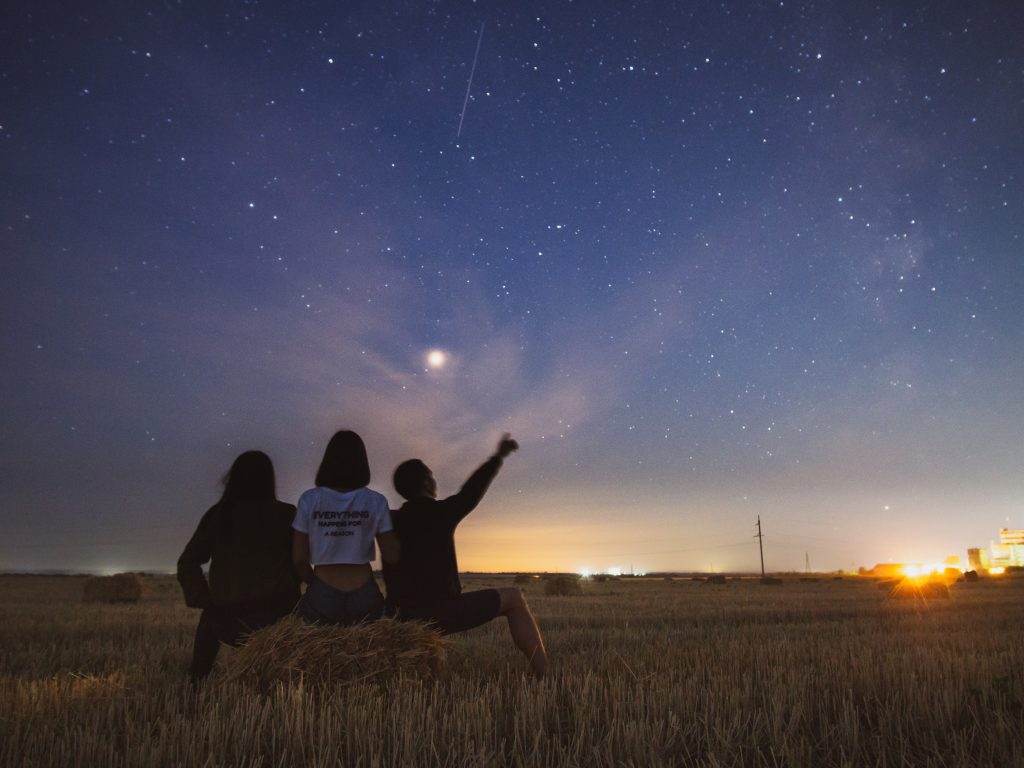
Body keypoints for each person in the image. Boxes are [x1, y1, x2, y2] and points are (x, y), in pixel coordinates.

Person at [383, 434, 549, 677]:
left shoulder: (389, 519)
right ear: (427, 484)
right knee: (514, 598)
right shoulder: (441, 513)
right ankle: (546, 674)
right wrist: (498, 457)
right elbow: (472, 490)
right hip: (440, 614)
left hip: (399, 615)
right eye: (432, 475)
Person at [177, 450, 300, 680]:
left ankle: (197, 677)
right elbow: (300, 562)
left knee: (208, 620)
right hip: (279, 618)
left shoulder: (218, 515)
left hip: (228, 620)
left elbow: (187, 563)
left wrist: (206, 601)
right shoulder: (286, 514)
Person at [292, 430, 399, 625]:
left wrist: (314, 583)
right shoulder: (376, 501)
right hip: (364, 591)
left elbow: (299, 559)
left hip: (323, 590)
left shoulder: (309, 499)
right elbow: (392, 555)